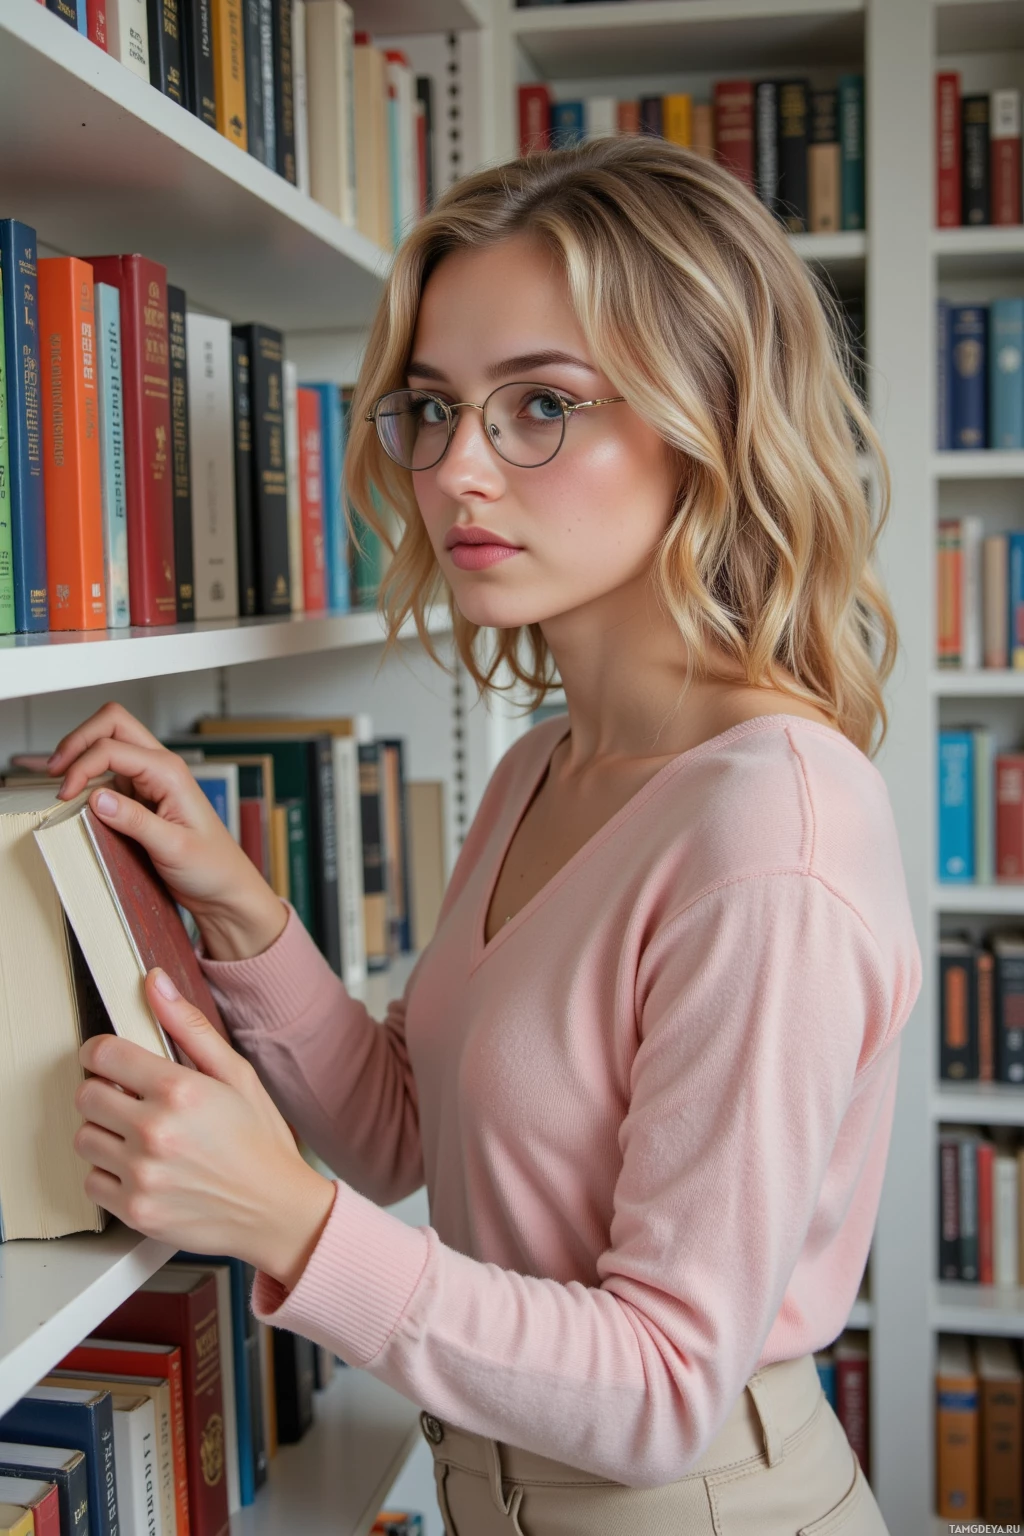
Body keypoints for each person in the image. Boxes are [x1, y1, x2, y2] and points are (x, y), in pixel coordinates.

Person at [50, 137, 921, 1535]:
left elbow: (665, 1384)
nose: (458, 469)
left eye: (542, 407)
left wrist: (292, 1226)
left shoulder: (771, 830)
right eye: (435, 407)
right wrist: (241, 913)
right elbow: (410, 1135)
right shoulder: (541, 767)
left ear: (711, 417)